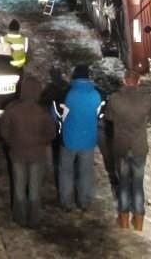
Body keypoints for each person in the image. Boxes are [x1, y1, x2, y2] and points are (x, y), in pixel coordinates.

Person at [0, 76, 56, 228]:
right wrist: (41, 142)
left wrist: (12, 142)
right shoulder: (42, 111)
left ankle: (20, 217)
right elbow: (51, 133)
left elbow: (4, 131)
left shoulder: (12, 109)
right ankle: (34, 218)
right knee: (34, 189)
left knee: (18, 187)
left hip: (17, 154)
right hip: (37, 155)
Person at [105, 70, 151, 231]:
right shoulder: (147, 100)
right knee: (138, 184)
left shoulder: (114, 99)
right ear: (139, 82)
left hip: (121, 147)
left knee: (124, 184)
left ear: (123, 81)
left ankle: (124, 219)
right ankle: (139, 220)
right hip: (139, 147)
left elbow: (108, 118)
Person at [52, 64, 102, 212]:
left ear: (74, 77)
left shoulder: (66, 93)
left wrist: (61, 124)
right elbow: (99, 114)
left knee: (66, 171)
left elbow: (56, 114)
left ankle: (66, 202)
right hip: (89, 140)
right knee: (86, 171)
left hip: (68, 139)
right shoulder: (97, 94)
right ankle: (84, 201)